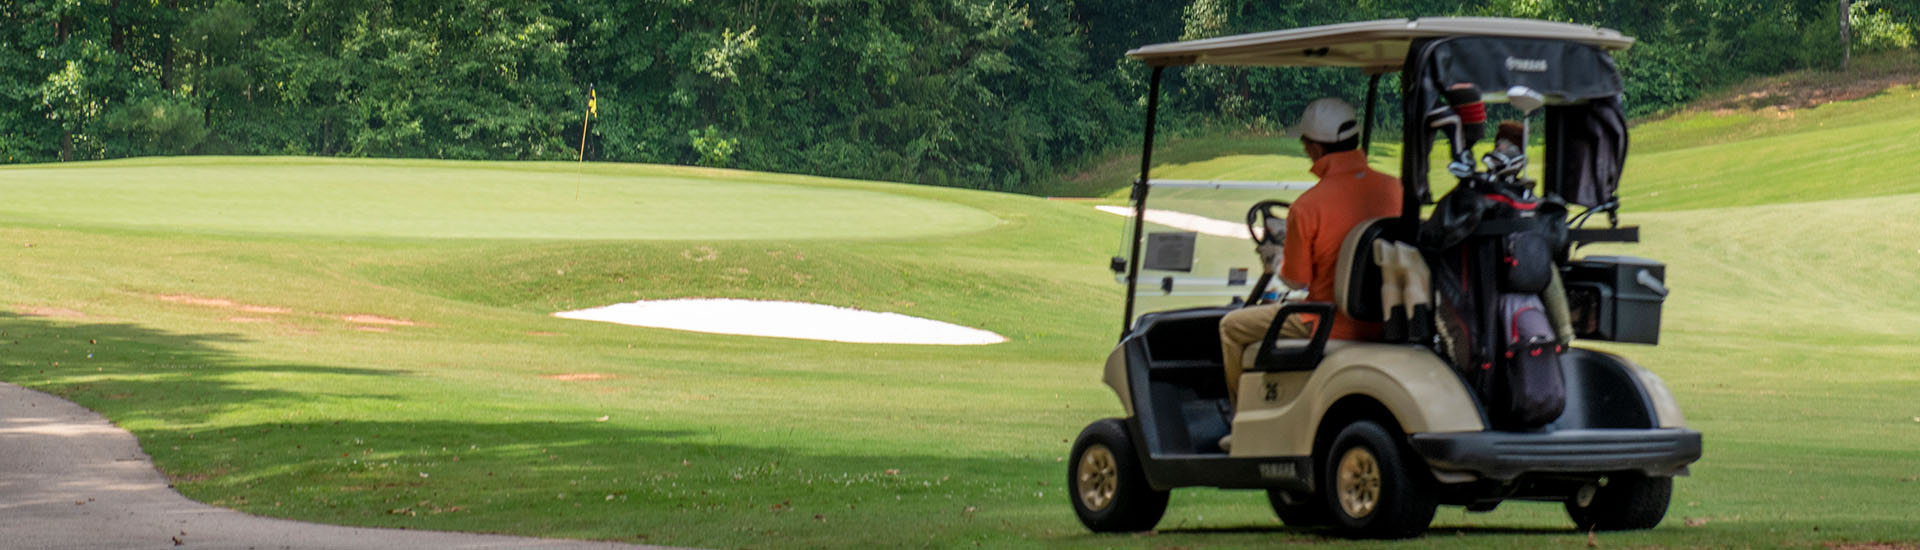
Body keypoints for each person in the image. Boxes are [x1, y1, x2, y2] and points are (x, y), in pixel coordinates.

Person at [1216, 98, 1404, 448]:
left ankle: (1241, 426)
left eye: (1305, 144)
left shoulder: (1308, 206)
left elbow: (1296, 280)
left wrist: (1276, 257)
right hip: (1387, 319)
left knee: (1230, 327)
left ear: (1315, 147)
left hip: (1328, 321)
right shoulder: (1396, 189)